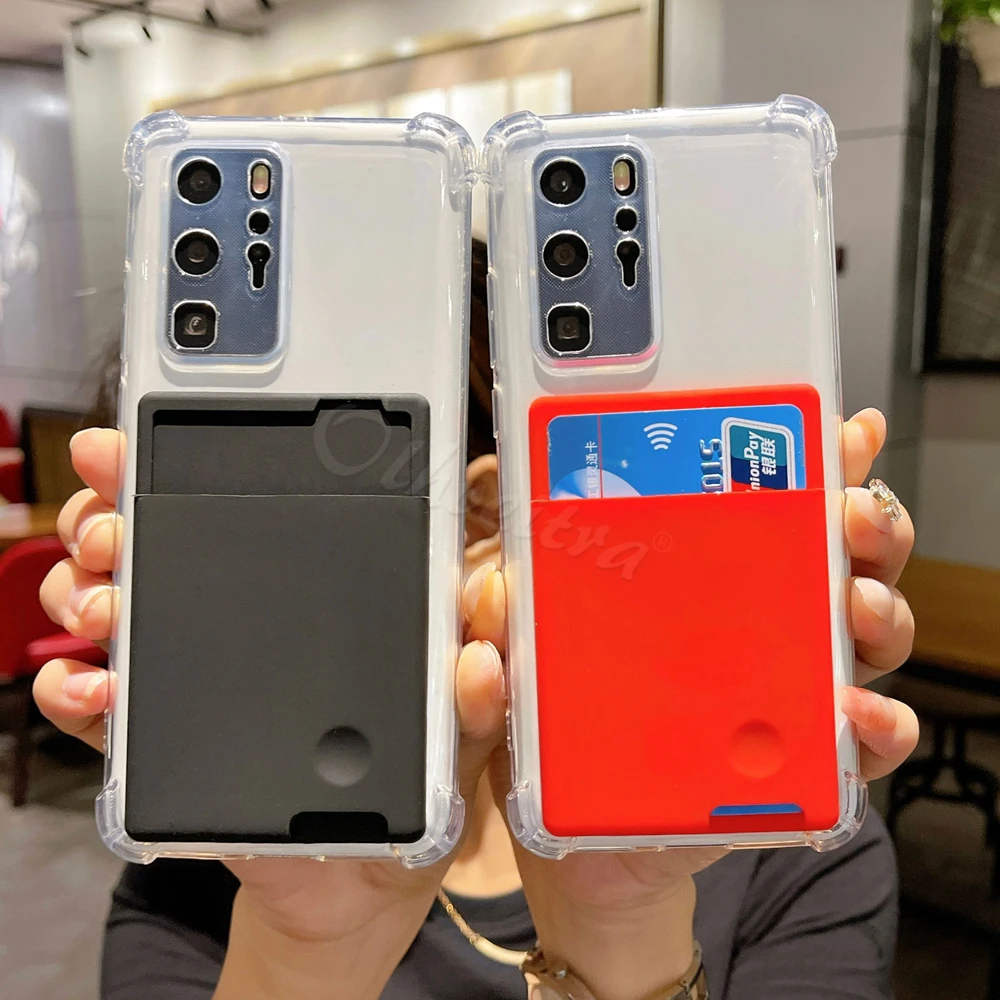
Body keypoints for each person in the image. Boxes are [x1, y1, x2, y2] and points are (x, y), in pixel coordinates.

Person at [34, 240, 917, 1000]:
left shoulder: (772, 843)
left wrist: (619, 920)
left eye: (283, 522)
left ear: (487, 513)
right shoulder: (204, 865)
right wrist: (308, 948)